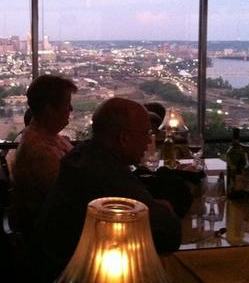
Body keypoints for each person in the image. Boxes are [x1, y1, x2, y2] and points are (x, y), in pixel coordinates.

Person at [32, 97, 181, 282]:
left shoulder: (82, 156)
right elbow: (169, 236)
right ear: (124, 138)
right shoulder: (106, 177)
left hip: (57, 267)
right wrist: (165, 208)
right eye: (146, 134)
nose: (148, 142)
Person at [11, 75, 78, 234]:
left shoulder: (45, 136)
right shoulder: (41, 152)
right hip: (53, 232)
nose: (71, 109)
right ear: (49, 110)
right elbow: (69, 197)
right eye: (67, 104)